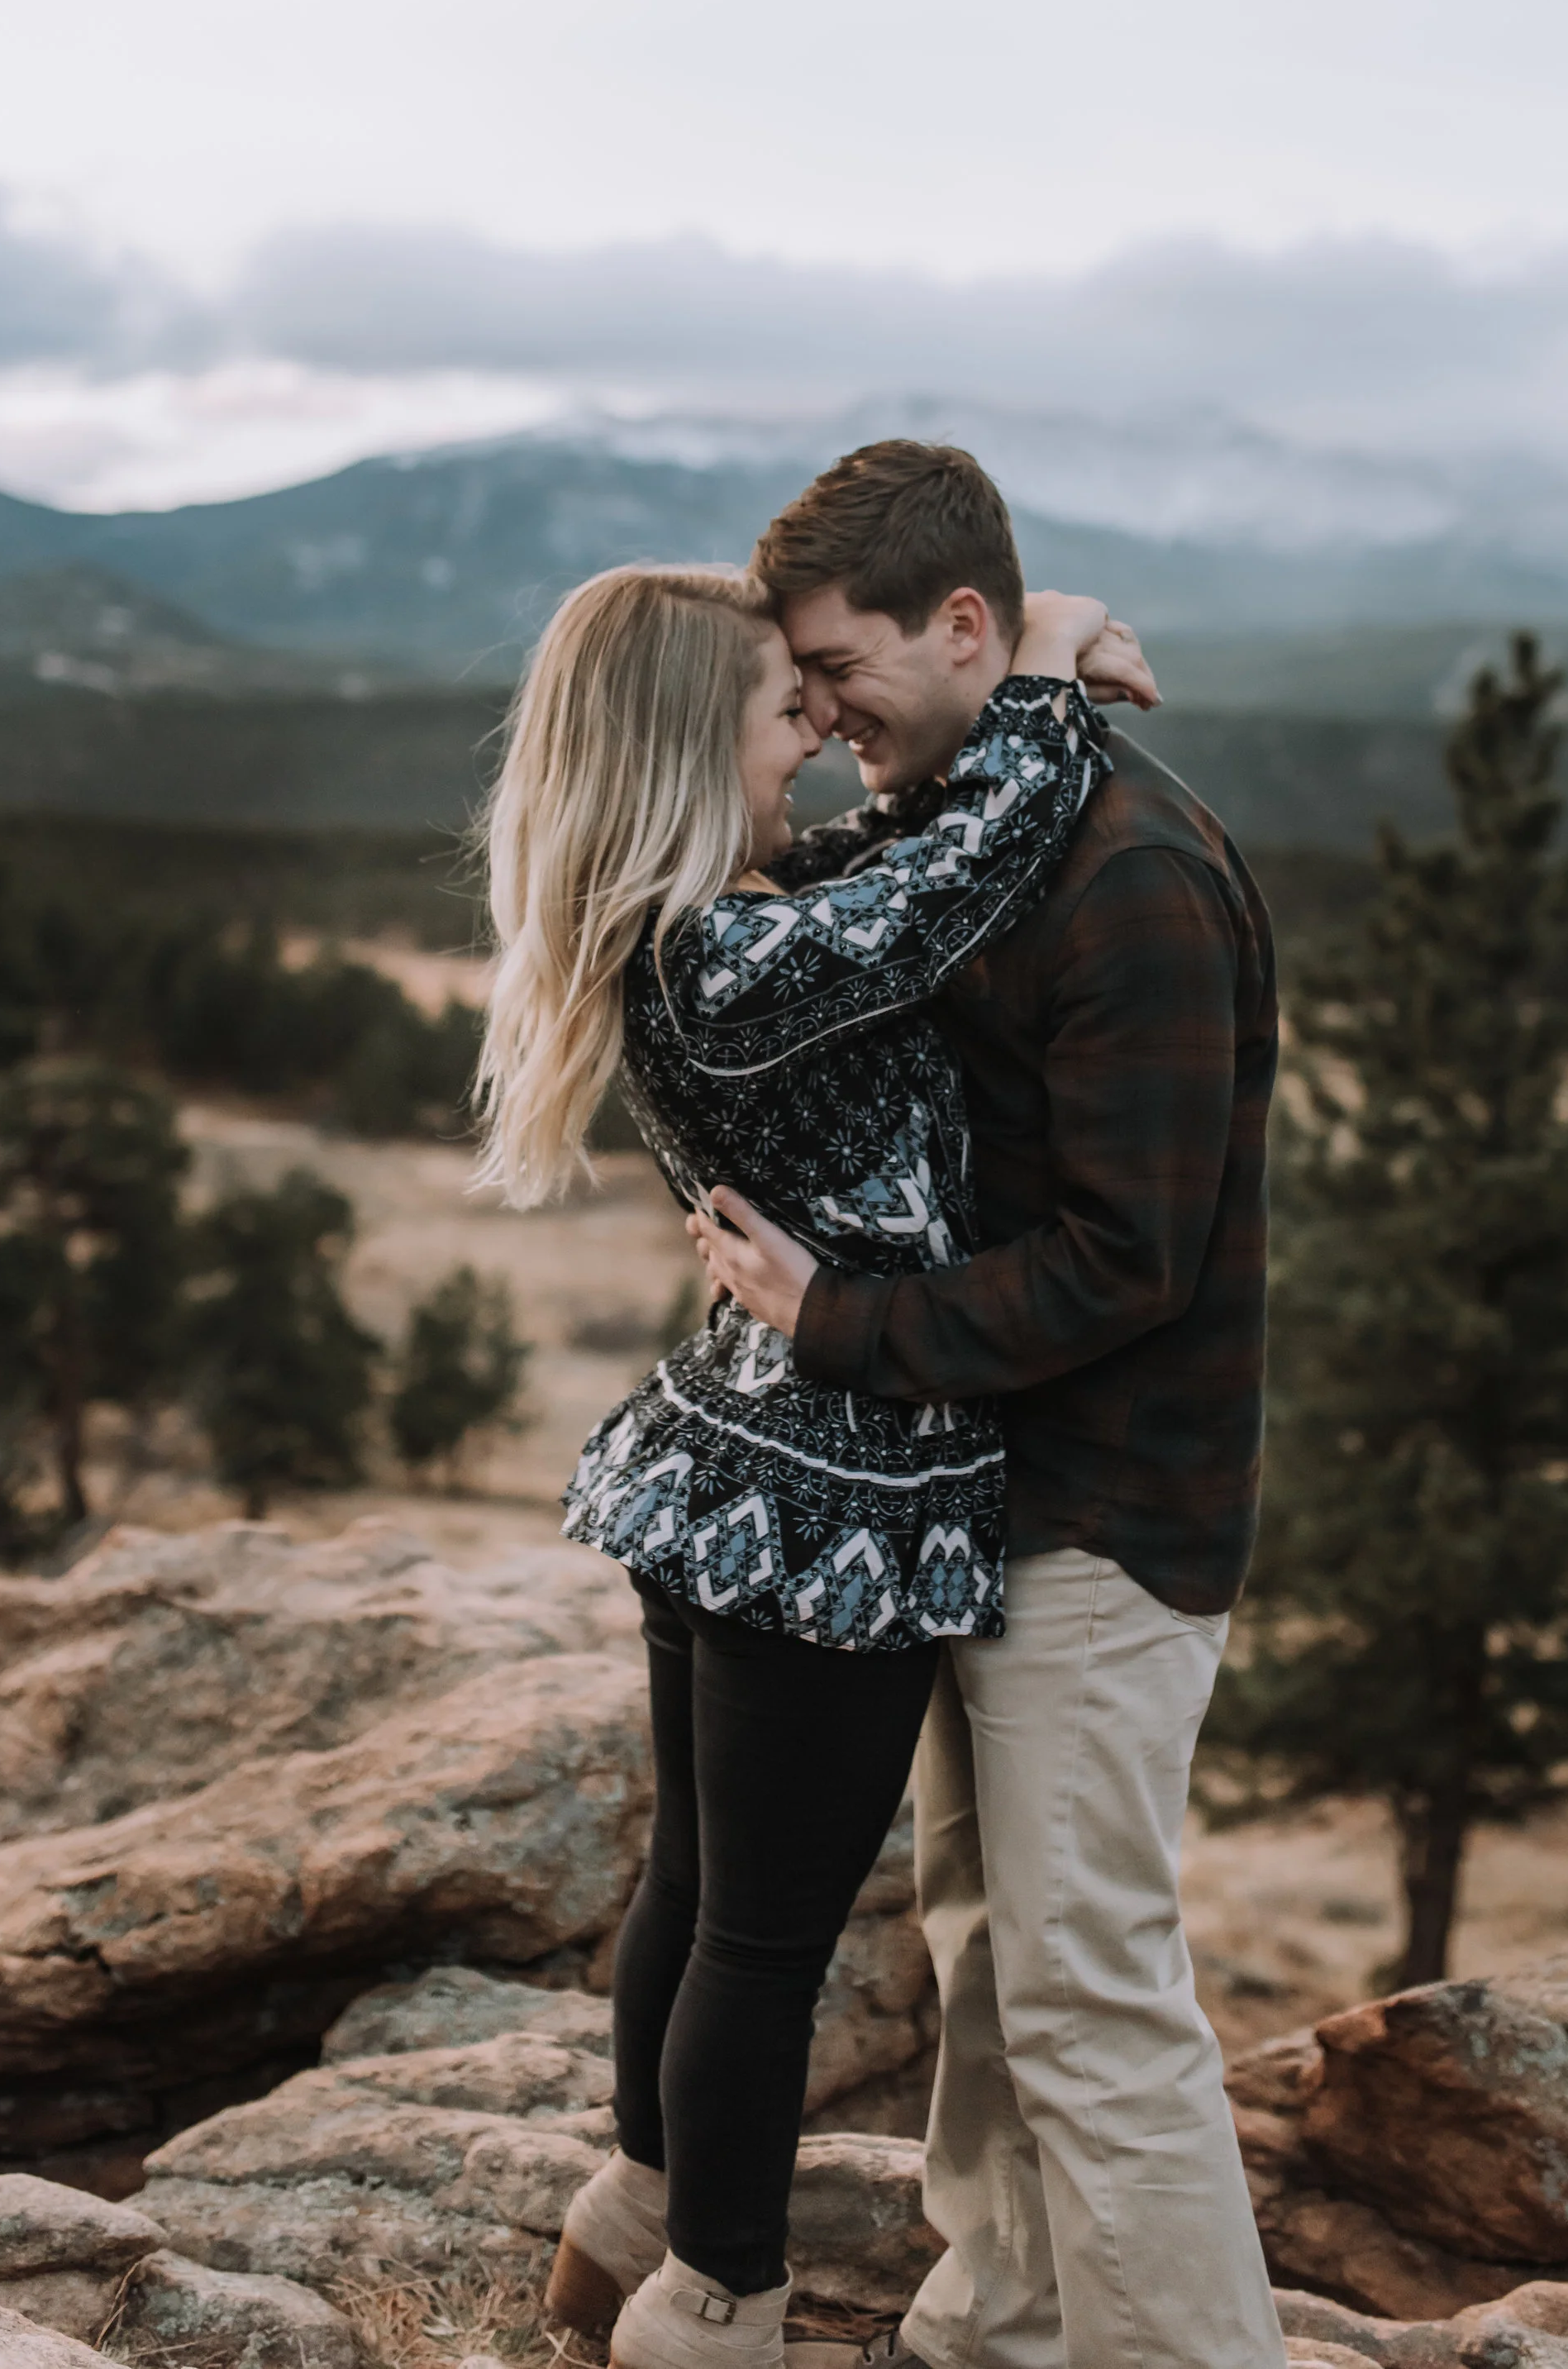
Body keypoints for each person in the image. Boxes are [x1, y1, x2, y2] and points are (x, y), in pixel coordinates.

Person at [474, 559, 1147, 2369]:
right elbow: (959, 871)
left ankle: (638, 2213)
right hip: (825, 1506)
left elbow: (898, 859)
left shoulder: (701, 923)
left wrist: (1007, 693)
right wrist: (1044, 662)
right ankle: (717, 2300)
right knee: (762, 1939)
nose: (820, 742)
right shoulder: (730, 960)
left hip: (732, 1465)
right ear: (692, 747)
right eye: (789, 713)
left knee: (699, 1890)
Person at [690, 440, 1286, 2369]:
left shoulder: (1131, 879)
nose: (817, 715)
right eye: (795, 682)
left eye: (836, 669)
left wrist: (840, 1321)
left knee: (1088, 1983)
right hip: (978, 1492)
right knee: (981, 1943)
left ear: (959, 624)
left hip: (1105, 1512)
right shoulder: (967, 819)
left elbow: (1127, 1259)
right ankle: (998, 2323)